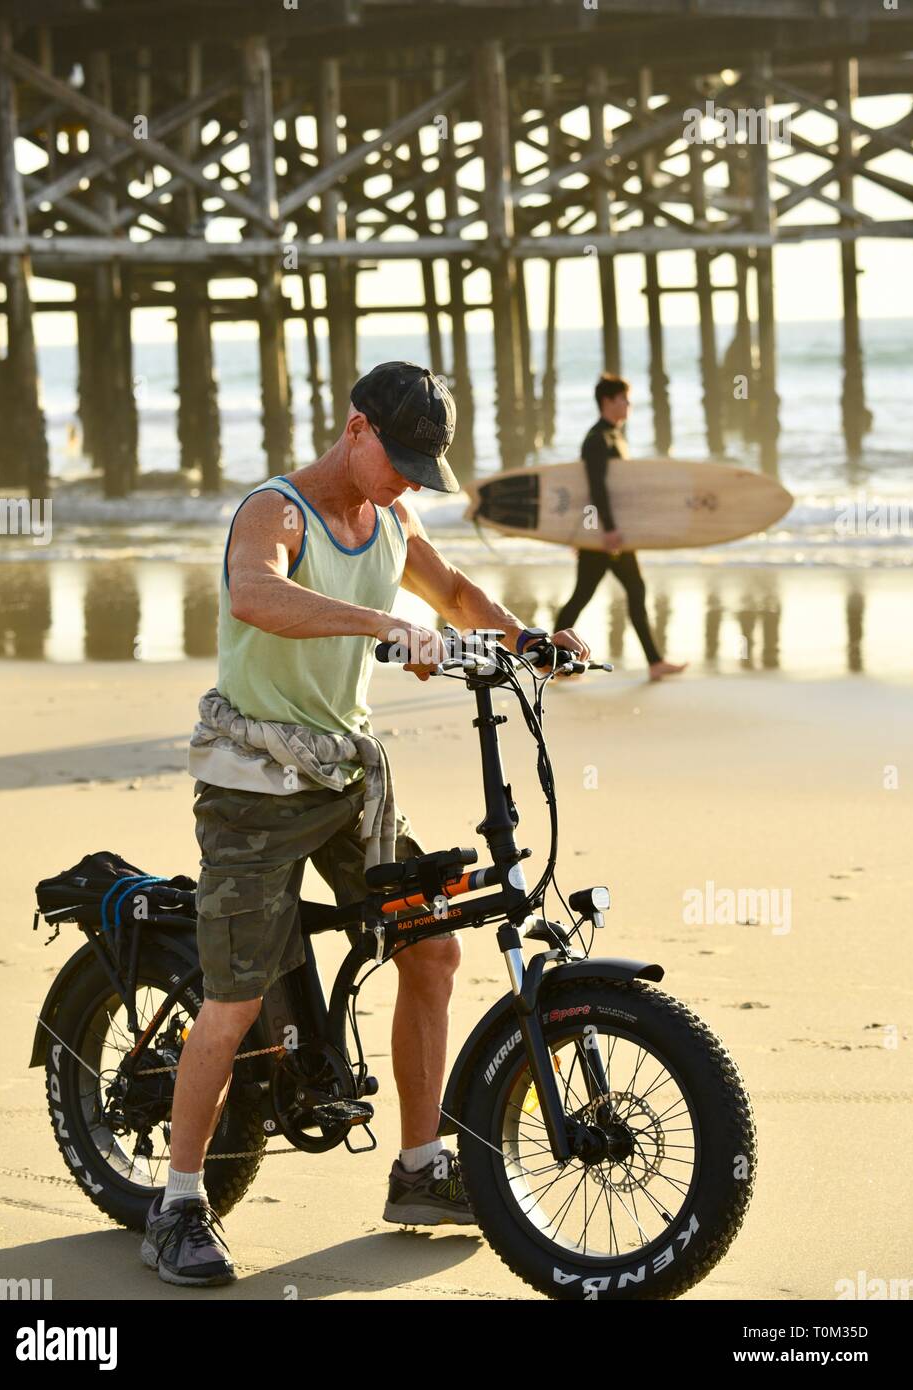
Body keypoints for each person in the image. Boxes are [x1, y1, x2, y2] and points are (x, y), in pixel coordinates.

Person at [141, 361, 590, 1286]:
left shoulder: (390, 515)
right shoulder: (277, 511)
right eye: (399, 462)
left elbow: (456, 593)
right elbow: (253, 595)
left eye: (425, 470)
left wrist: (528, 638)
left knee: (431, 947)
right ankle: (179, 1201)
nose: (407, 484)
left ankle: (420, 1167)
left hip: (346, 776)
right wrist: (379, 625)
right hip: (254, 785)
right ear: (355, 431)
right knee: (232, 998)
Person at [555, 373, 686, 682]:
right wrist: (605, 530)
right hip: (606, 536)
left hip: (607, 534)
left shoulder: (614, 436)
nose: (629, 404)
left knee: (611, 592)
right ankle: (553, 659)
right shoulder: (597, 440)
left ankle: (654, 662)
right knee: (585, 596)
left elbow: (617, 489)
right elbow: (595, 488)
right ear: (607, 401)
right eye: (624, 399)